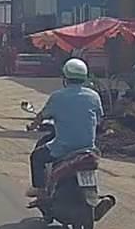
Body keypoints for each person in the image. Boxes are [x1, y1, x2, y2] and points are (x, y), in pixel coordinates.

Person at [28, 58, 103, 198]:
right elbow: (99, 119)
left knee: (36, 157)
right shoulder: (94, 96)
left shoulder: (57, 96)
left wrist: (32, 126)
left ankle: (40, 189)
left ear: (65, 77)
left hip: (63, 148)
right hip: (88, 148)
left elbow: (41, 116)